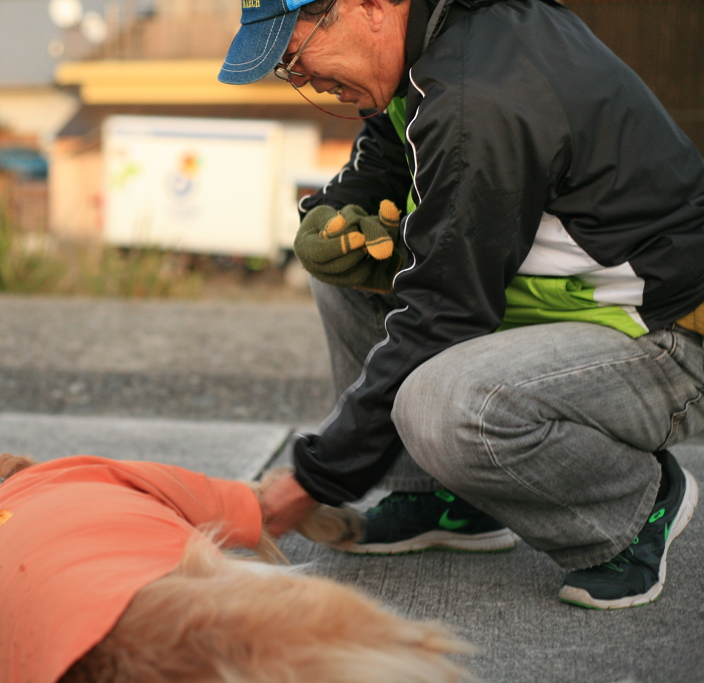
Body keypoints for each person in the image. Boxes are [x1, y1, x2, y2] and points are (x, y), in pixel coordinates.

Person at [218, 0, 704, 609]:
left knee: (443, 406)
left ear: (368, 6)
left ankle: (632, 506)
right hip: (582, 305)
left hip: (672, 335)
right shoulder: (434, 46)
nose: (302, 77)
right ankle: (441, 500)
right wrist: (335, 210)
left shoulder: (478, 95)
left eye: (293, 53)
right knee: (348, 272)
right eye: (285, 69)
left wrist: (315, 479)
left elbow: (443, 315)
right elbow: (390, 152)